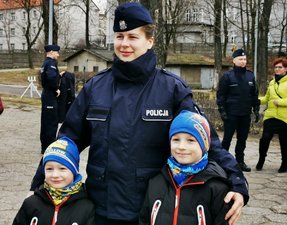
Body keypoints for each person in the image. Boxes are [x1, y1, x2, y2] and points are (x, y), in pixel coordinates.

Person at [30, 2, 248, 225]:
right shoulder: (95, 88)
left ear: (150, 41)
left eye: (133, 37)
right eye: (120, 36)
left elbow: (207, 140)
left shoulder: (172, 89)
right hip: (100, 208)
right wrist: (38, 186)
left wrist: (237, 183)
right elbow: (67, 140)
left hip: (153, 208)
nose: (125, 44)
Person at [139, 110, 231, 225]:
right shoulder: (156, 182)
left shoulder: (217, 187)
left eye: (191, 140)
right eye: (176, 139)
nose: (181, 147)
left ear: (205, 145)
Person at [13, 136, 95, 225]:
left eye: (62, 168)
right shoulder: (31, 203)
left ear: (74, 171)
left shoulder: (87, 207)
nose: (55, 175)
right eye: (49, 169)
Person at [216, 48, 260, 172]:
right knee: (227, 139)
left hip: (245, 114)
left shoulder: (250, 75)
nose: (243, 61)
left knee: (242, 139)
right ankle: (222, 162)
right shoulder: (227, 76)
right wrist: (222, 111)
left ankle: (240, 161)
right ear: (234, 61)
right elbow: (221, 95)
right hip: (231, 114)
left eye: (245, 59)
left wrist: (256, 110)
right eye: (240, 59)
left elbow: (254, 95)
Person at [256, 57, 287, 173]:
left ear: (286, 68)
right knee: (265, 139)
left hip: (285, 117)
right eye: (275, 67)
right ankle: (261, 160)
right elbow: (267, 98)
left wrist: (280, 102)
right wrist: (257, 100)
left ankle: (284, 163)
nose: (277, 69)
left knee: (284, 141)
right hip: (270, 115)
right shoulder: (272, 82)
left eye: (280, 67)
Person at [40, 44, 61, 154]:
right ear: (52, 52)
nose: (58, 54)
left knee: (45, 121)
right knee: (51, 122)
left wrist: (59, 75)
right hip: (50, 95)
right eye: (57, 52)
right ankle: (50, 147)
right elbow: (51, 78)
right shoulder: (51, 63)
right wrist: (56, 89)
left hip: (45, 94)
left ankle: (44, 147)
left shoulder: (45, 63)